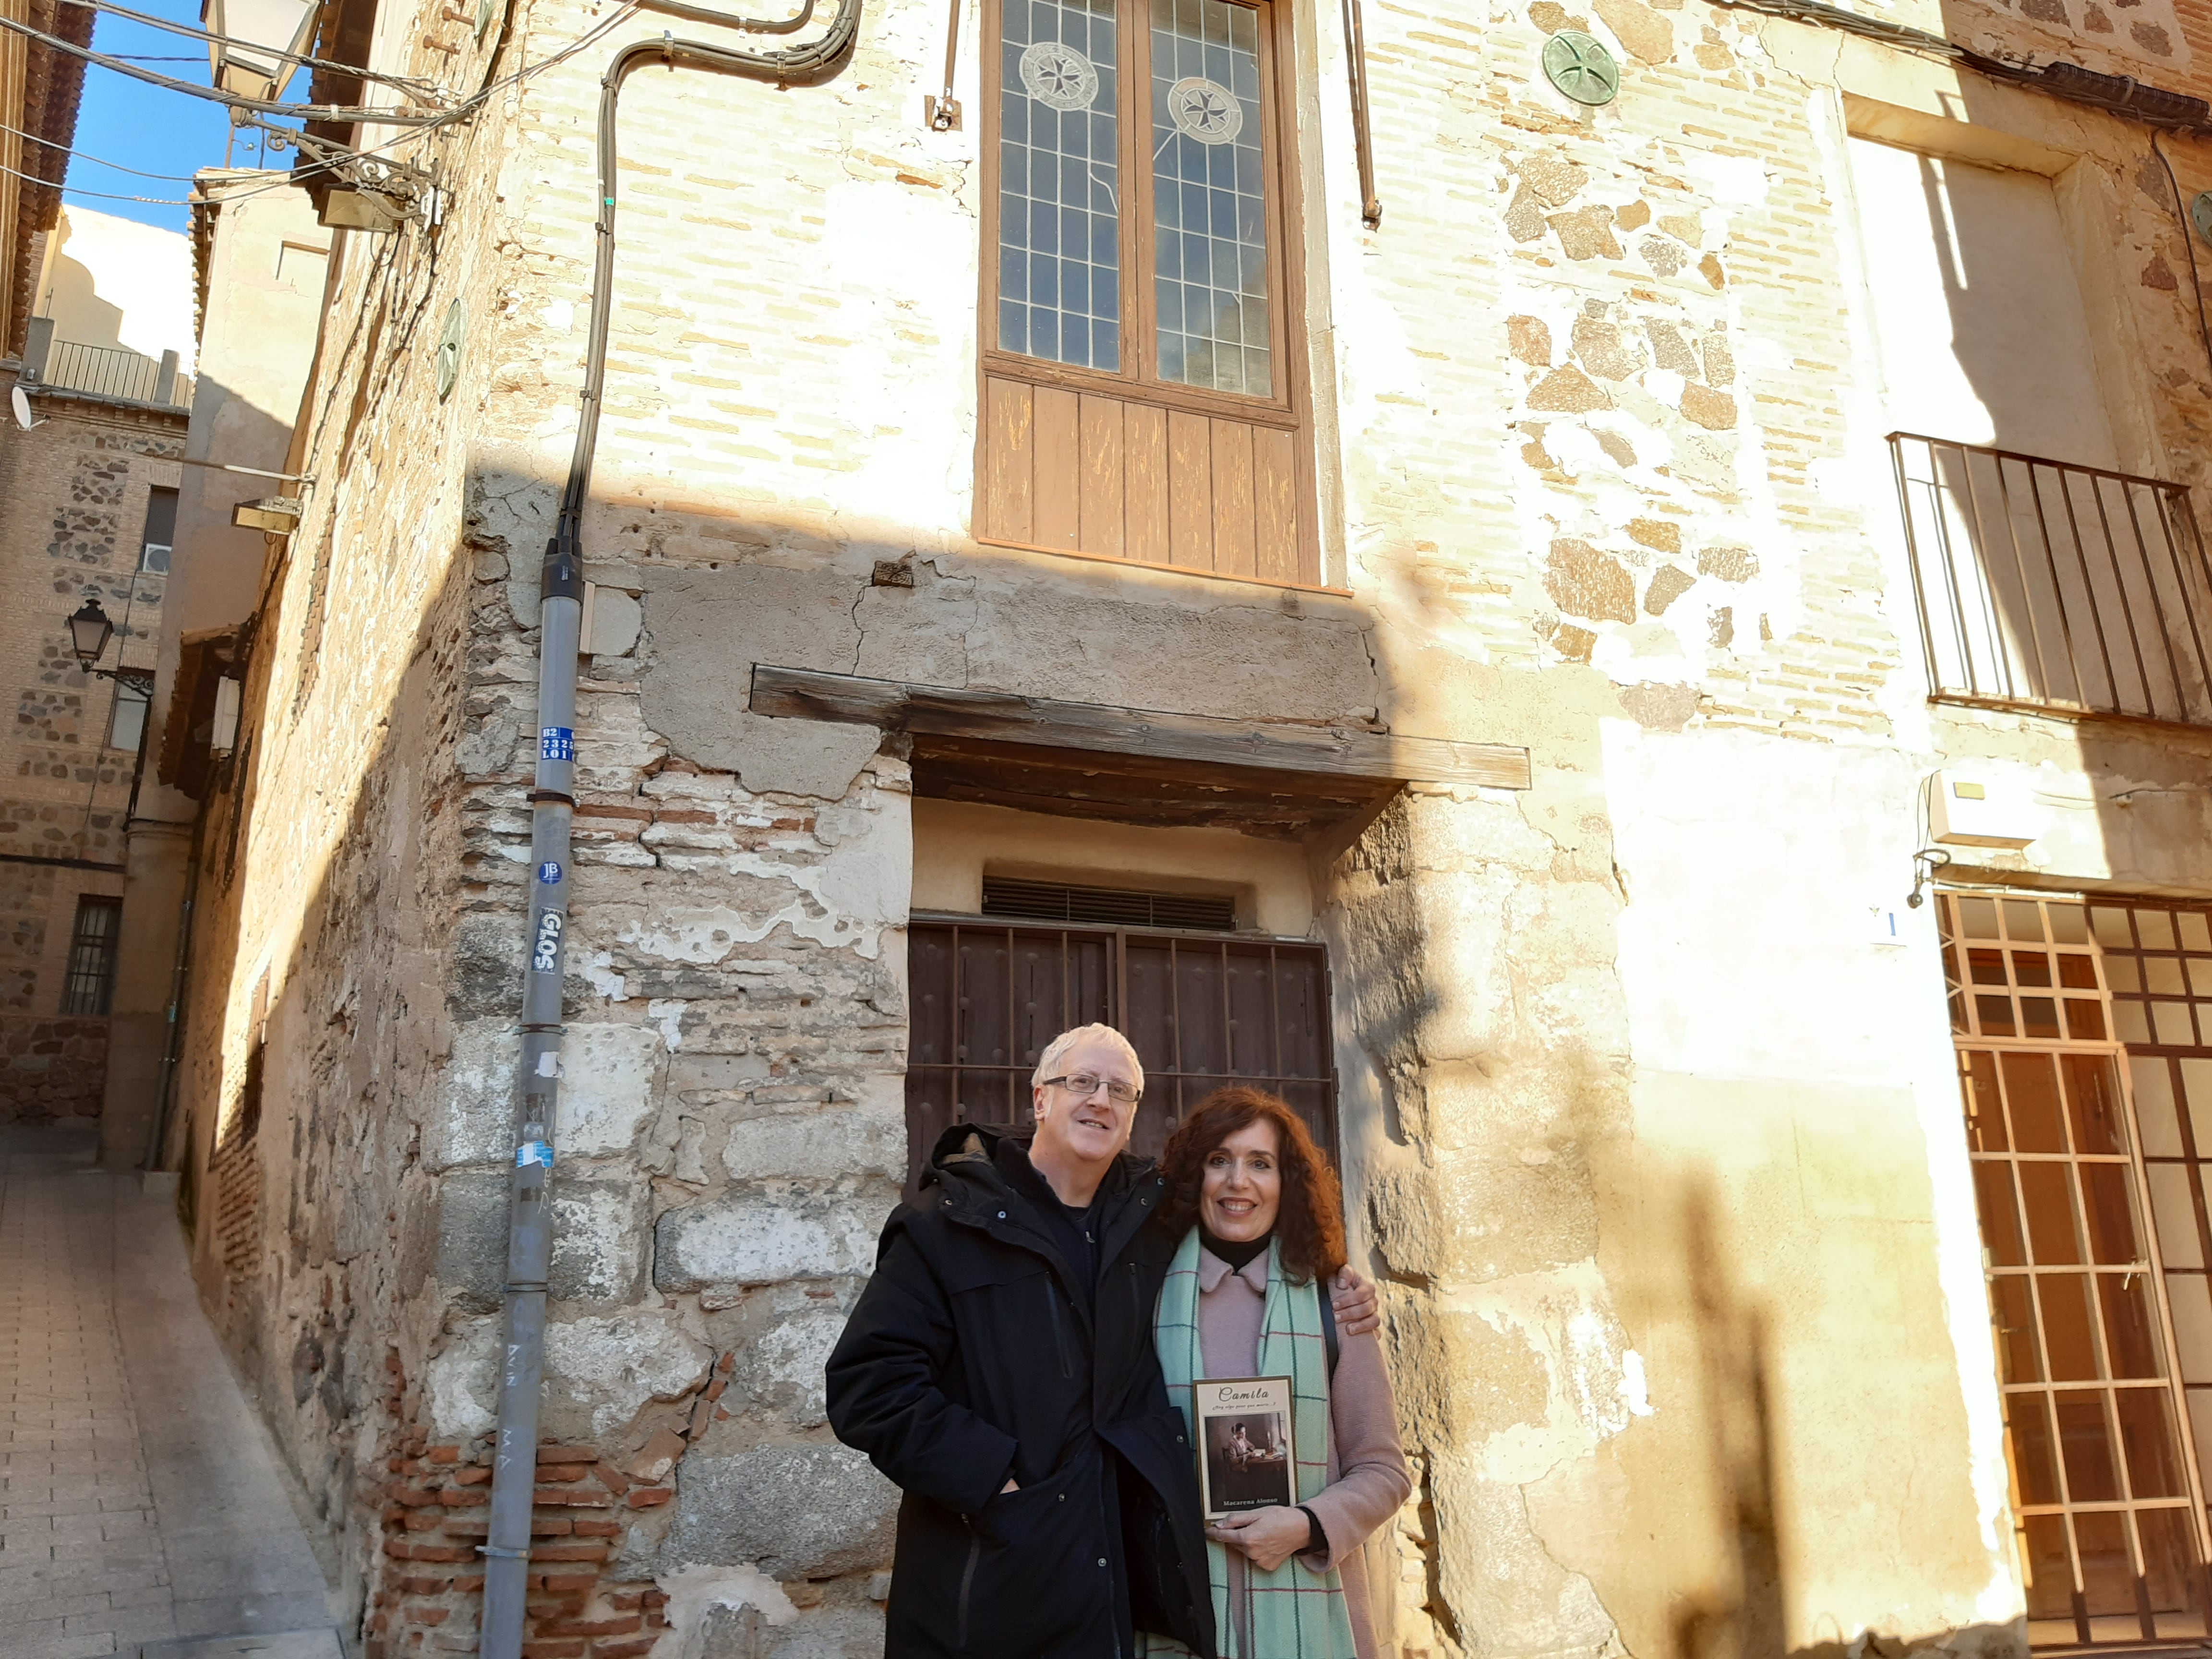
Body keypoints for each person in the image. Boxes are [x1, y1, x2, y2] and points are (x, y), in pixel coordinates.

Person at [826, 1024, 1381, 1658]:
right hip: (990, 1577)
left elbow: (1244, 1216)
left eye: (1121, 1090)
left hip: (1117, 1587)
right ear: (1040, 1099)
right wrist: (997, 1484)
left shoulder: (1148, 1222)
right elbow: (869, 1386)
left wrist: (1335, 1278)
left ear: (1132, 1114)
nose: (1100, 1100)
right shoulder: (944, 1225)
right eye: (1081, 1083)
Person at [1141, 1086, 1412, 1659]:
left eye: (1260, 1164)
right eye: (1220, 1161)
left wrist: (1308, 1524)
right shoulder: (1144, 1299)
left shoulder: (1333, 1303)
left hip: (1315, 1607)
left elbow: (1383, 1470)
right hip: (1178, 1615)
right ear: (1197, 1178)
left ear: (1286, 1182)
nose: (1239, 1181)